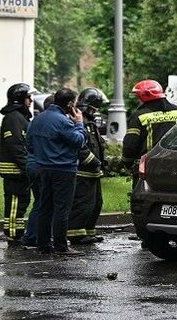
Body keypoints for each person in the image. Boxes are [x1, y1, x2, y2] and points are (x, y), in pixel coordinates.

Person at [28, 87, 87, 256]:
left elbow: (29, 145)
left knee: (45, 207)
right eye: (74, 102)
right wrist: (79, 124)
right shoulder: (63, 121)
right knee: (62, 209)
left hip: (42, 168)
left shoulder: (38, 119)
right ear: (70, 103)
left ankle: (43, 245)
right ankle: (61, 246)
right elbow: (78, 141)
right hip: (64, 169)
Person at [67, 87, 108, 245]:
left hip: (93, 172)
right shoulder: (79, 121)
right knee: (82, 204)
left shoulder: (89, 122)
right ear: (92, 105)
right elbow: (80, 147)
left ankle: (89, 232)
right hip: (83, 172)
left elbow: (96, 143)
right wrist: (93, 161)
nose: (98, 110)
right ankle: (76, 234)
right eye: (97, 106)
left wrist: (102, 161)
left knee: (95, 204)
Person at [122, 80, 177, 188]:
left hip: (147, 166)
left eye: (138, 96)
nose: (138, 100)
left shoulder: (139, 116)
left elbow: (130, 144)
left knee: (143, 198)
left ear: (144, 96)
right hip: (175, 163)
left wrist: (127, 163)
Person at [0, 83, 34, 245]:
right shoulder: (13, 118)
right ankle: (13, 235)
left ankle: (18, 233)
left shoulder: (19, 117)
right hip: (15, 171)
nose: (31, 101)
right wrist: (27, 167)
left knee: (21, 203)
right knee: (14, 203)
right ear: (20, 99)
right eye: (28, 97)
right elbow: (17, 146)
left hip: (20, 170)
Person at [21, 93, 56, 249]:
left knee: (39, 201)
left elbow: (28, 144)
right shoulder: (55, 122)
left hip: (32, 164)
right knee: (44, 203)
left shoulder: (35, 121)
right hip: (43, 166)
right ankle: (35, 236)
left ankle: (34, 235)